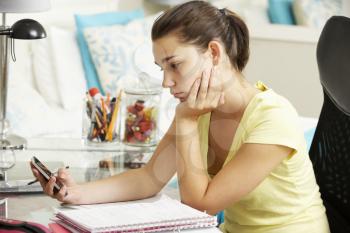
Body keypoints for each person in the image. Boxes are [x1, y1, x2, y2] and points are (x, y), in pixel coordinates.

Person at [30, 1, 330, 232]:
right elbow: (149, 178)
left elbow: (201, 205)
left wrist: (185, 120)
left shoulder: (272, 117)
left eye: (174, 65)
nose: (166, 82)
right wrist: (76, 193)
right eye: (162, 69)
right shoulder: (198, 110)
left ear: (214, 53)